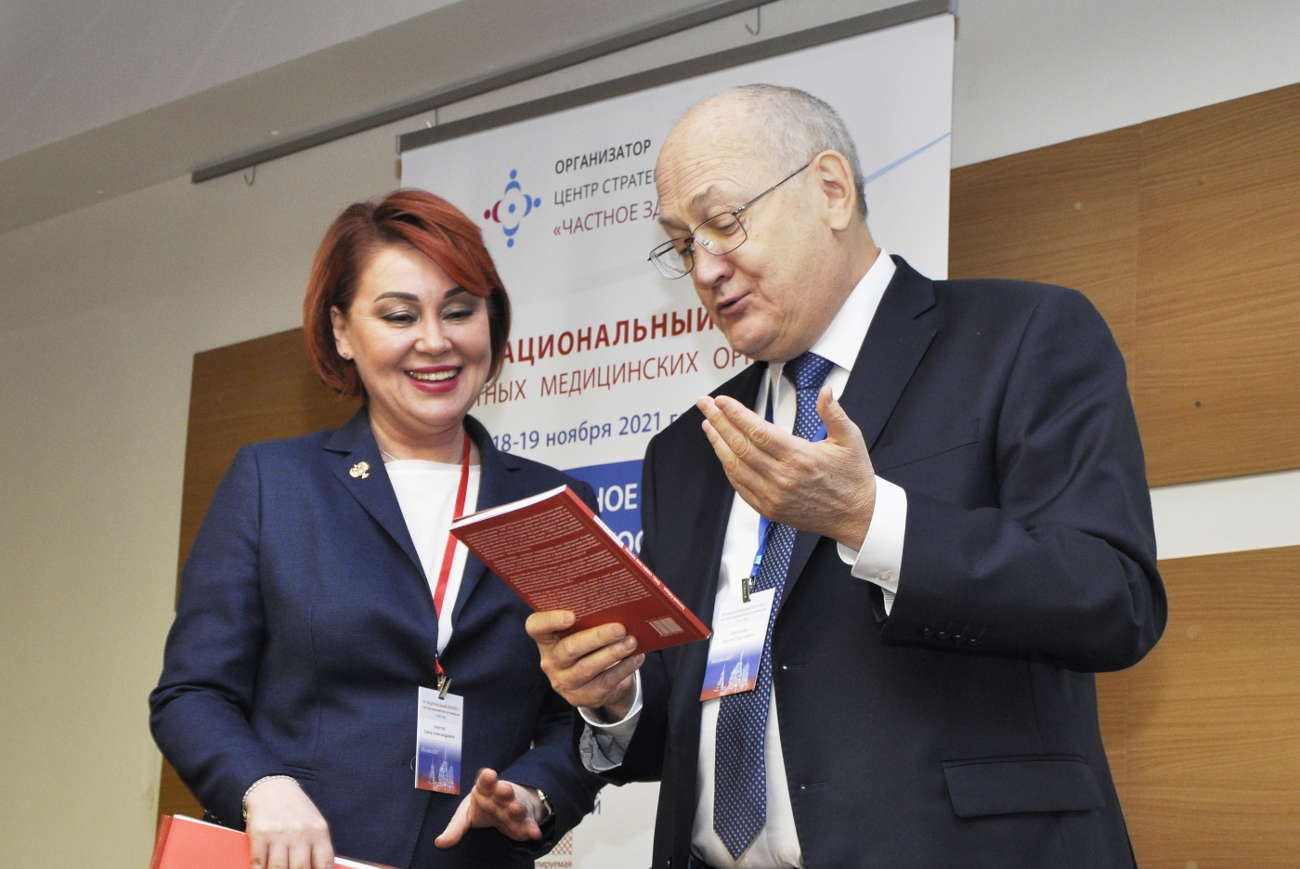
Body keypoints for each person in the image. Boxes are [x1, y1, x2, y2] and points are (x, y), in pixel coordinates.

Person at [527, 85, 1166, 868]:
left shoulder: (1022, 337)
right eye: (682, 243)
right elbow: (693, 718)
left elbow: (1112, 599)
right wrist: (616, 694)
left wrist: (872, 521)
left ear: (831, 190)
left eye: (724, 222)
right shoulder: (689, 448)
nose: (705, 267)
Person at [151, 189, 601, 869]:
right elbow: (192, 694)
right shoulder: (274, 483)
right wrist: (261, 786)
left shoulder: (554, 502)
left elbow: (584, 713)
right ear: (341, 331)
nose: (435, 340)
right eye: (399, 315)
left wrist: (533, 793)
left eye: (459, 311)